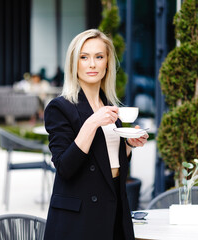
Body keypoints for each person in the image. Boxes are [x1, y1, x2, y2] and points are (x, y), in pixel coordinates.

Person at [43, 29, 149, 240]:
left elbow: (109, 162)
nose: (92, 64)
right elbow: (65, 167)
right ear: (74, 63)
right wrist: (92, 123)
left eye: (99, 57)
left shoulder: (110, 107)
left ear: (107, 63)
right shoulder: (60, 107)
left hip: (113, 209)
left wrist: (129, 145)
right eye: (84, 57)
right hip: (78, 221)